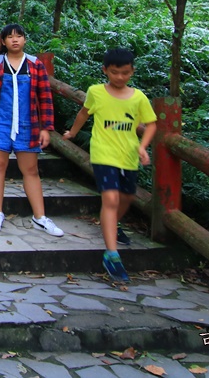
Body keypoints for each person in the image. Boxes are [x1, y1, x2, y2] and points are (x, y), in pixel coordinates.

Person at [62, 48, 157, 283]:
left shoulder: (138, 97)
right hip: (103, 153)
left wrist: (143, 147)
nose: (120, 77)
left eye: (125, 73)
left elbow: (151, 124)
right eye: (115, 73)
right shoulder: (96, 92)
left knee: (127, 196)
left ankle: (112, 224)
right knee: (111, 199)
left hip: (128, 156)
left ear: (132, 71)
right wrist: (73, 133)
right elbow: (84, 113)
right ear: (105, 71)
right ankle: (111, 254)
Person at [0, 24, 63, 237]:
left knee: (30, 170)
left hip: (28, 124)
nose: (15, 40)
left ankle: (40, 217)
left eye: (19, 36)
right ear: (3, 42)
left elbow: (45, 97)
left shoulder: (35, 65)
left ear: (24, 40)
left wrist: (46, 127)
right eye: (10, 37)